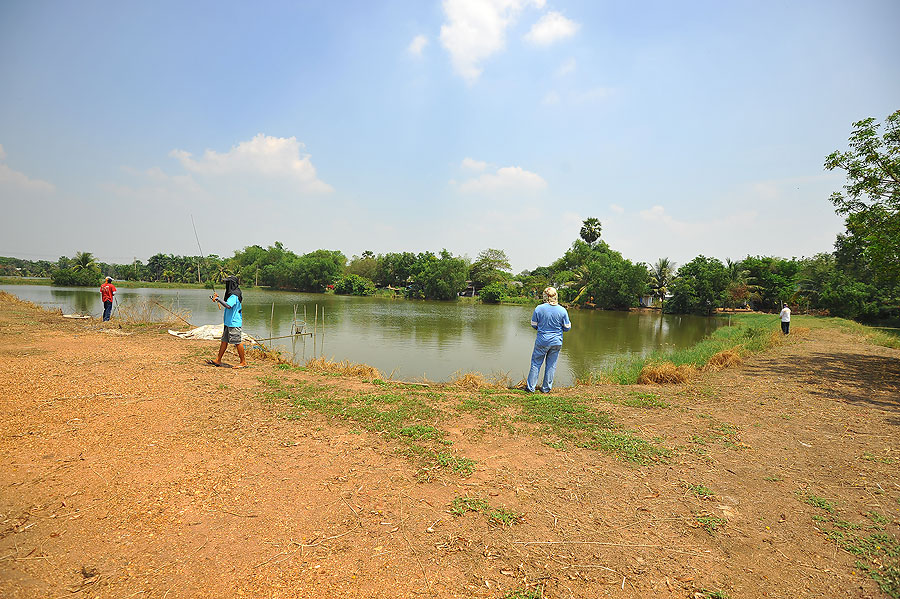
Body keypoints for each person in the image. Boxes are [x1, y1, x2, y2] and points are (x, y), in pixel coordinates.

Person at [526, 287, 571, 393]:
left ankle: (530, 388)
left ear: (545, 296)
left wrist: (541, 328)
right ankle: (546, 389)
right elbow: (567, 327)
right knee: (551, 365)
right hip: (557, 342)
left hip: (542, 341)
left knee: (536, 363)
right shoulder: (562, 310)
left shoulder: (539, 308)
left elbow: (533, 325)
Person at [207, 276, 248, 368]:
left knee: (237, 342)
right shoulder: (232, 295)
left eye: (228, 283)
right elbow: (227, 302)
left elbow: (228, 305)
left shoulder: (235, 295)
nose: (227, 285)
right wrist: (218, 298)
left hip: (234, 322)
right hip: (228, 322)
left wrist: (218, 299)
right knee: (224, 341)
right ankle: (218, 360)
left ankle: (243, 362)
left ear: (231, 283)